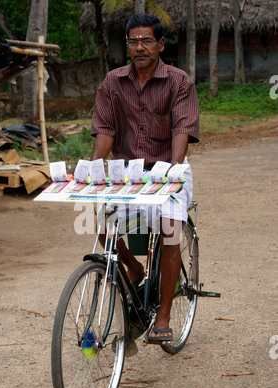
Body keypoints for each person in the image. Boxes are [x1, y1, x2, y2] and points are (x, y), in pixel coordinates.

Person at [91, 14, 199, 350]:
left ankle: (163, 317)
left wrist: (172, 170)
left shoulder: (179, 81)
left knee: (169, 230)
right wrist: (93, 169)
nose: (139, 47)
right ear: (128, 45)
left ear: (160, 44)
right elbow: (105, 131)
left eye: (146, 40)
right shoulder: (112, 82)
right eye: (133, 41)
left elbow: (182, 128)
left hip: (168, 170)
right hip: (128, 175)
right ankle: (133, 266)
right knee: (99, 220)